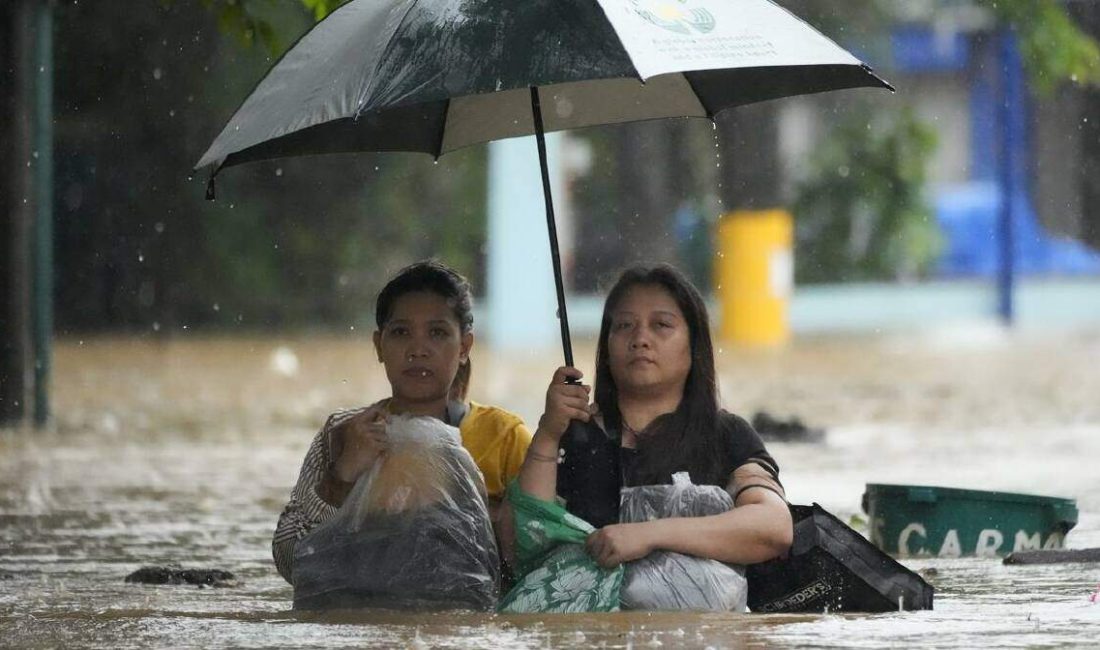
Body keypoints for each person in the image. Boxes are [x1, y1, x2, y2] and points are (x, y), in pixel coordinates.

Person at [514, 264, 792, 571]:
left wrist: (649, 535)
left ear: (694, 346)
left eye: (661, 325)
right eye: (624, 326)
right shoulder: (572, 435)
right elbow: (524, 542)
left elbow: (774, 527)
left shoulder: (724, 434)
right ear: (606, 348)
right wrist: (548, 433)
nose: (640, 338)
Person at [273, 260, 533, 584]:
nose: (418, 349)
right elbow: (289, 562)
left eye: (437, 333)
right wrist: (341, 478)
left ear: (464, 347)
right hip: (365, 627)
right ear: (379, 346)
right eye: (401, 333)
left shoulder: (505, 437)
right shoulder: (345, 432)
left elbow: (540, 559)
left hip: (462, 629)